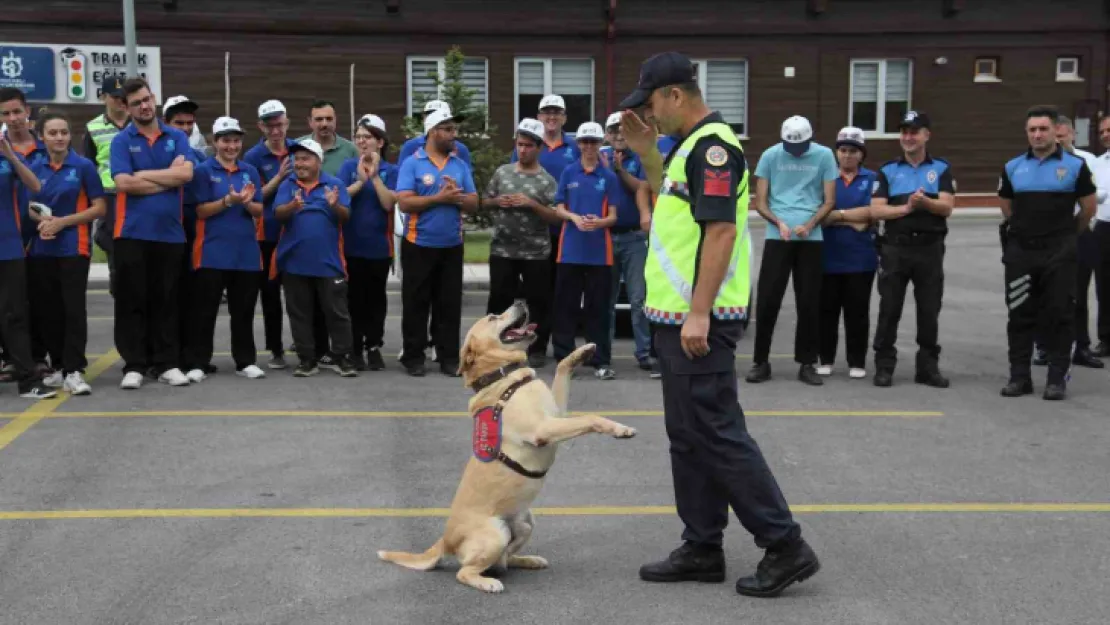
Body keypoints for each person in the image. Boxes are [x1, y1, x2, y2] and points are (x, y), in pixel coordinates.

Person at [618, 51, 818, 597]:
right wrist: (648, 157)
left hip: (698, 319)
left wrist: (700, 310)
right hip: (676, 318)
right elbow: (674, 211)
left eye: (651, 105)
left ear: (675, 95)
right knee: (688, 437)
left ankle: (785, 544)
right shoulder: (685, 149)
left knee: (717, 433)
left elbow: (722, 233)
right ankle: (702, 545)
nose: (649, 116)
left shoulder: (711, 148)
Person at [999, 105, 1098, 400]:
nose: (1038, 134)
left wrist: (1065, 236)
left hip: (1059, 252)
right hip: (1021, 253)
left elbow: (1088, 209)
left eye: (1043, 128)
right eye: (1032, 130)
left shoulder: (1076, 166)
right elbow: (1006, 206)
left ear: (1057, 130)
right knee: (1019, 315)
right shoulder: (1013, 166)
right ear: (1027, 133)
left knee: (1059, 313)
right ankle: (1019, 378)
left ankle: (1056, 379)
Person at [108, 78, 196, 389]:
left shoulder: (176, 136)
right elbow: (123, 184)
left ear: (154, 98)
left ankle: (166, 363)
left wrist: (143, 174)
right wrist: (166, 178)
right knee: (132, 300)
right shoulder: (121, 141)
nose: (144, 106)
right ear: (126, 107)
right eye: (136, 103)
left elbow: (185, 174)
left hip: (170, 234)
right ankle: (134, 365)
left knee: (167, 300)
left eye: (146, 99)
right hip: (131, 232)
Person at [747, 115, 837, 386]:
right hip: (779, 237)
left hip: (811, 238)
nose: (795, 152)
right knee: (767, 299)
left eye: (800, 148)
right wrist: (779, 222)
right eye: (790, 147)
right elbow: (760, 201)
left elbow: (829, 200)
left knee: (809, 301)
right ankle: (760, 361)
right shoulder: (770, 156)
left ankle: (807, 362)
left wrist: (810, 224)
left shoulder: (824, 156)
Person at [868, 111, 955, 389]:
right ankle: (884, 366)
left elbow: (947, 207)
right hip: (896, 249)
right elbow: (876, 209)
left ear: (926, 135)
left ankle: (927, 368)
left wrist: (925, 204)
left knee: (929, 310)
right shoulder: (888, 170)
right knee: (889, 308)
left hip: (929, 249)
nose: (908, 137)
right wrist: (906, 207)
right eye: (904, 132)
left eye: (914, 132)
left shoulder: (940, 168)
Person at [25, 111, 106, 395]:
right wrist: (43, 222)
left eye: (63, 132)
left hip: (75, 247)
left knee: (73, 310)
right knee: (49, 311)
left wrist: (62, 223)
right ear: (42, 137)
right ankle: (58, 367)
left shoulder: (83, 166)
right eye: (53, 133)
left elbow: (99, 208)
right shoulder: (33, 166)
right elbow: (28, 206)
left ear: (70, 135)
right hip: (41, 248)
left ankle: (74, 370)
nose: (59, 138)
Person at [395, 108, 479, 377]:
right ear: (432, 131)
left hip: (451, 246)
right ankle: (413, 356)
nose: (454, 134)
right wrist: (438, 198)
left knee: (449, 304)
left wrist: (458, 197)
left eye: (454, 129)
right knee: (416, 303)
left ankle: (448, 357)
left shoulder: (459, 165)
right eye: (448, 129)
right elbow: (405, 202)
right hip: (418, 244)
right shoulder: (413, 163)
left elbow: (474, 203)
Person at [182, 117, 266, 381]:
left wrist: (247, 203)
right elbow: (200, 211)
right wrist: (228, 201)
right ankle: (198, 362)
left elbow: (260, 210)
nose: (231, 146)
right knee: (204, 312)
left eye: (236, 140)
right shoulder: (203, 171)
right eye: (226, 140)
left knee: (243, 311)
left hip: (246, 255)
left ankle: (245, 361)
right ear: (214, 142)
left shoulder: (249, 171)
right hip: (211, 252)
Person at [272, 138, 358, 378]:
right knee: (299, 314)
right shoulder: (287, 184)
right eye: (297, 159)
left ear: (318, 161)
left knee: (337, 313)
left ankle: (343, 357)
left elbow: (345, 216)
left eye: (306, 158)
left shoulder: (335, 184)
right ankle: (306, 360)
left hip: (329, 262)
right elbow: (278, 214)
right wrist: (291, 206)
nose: (300, 164)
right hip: (294, 263)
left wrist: (334, 205)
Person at [481, 118, 559, 367]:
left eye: (528, 145)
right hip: (503, 249)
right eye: (519, 144)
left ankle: (536, 349)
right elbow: (484, 201)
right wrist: (497, 202)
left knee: (538, 302)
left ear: (539, 148)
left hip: (535, 253)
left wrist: (532, 204)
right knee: (499, 301)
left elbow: (555, 215)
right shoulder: (502, 173)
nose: (522, 150)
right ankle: (494, 345)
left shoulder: (547, 181)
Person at [551, 121, 619, 380]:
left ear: (601, 144)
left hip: (600, 253)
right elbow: (559, 207)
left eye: (594, 142)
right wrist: (574, 218)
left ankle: (600, 360)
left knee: (598, 308)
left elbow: (613, 216)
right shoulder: (569, 172)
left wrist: (598, 222)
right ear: (578, 144)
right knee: (565, 306)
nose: (589, 147)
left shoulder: (608, 176)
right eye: (585, 142)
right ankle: (564, 359)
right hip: (570, 250)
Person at [0, 94, 56, 400]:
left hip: (8, 247)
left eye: (14, 112)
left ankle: (28, 380)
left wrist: (9, 154)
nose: (9, 117)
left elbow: (35, 186)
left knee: (15, 315)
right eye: (4, 113)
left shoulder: (7, 155)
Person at [1039, 116, 1103, 368]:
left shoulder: (1088, 162)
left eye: (1062, 136)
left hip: (1078, 232)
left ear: (1072, 135)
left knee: (1077, 294)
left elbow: (1095, 197)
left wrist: (1075, 228)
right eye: (1055, 137)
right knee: (1045, 293)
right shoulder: (1039, 162)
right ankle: (1044, 346)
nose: (1058, 141)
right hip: (1047, 237)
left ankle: (1082, 347)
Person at [817, 127, 879, 379]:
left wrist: (837, 216)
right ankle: (826, 359)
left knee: (857, 313)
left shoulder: (873, 179)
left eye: (853, 151)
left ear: (862, 154)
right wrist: (852, 219)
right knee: (826, 311)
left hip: (860, 258)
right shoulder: (825, 179)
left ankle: (857, 361)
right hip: (827, 257)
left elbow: (870, 215)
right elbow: (819, 215)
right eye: (843, 150)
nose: (847, 156)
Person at [337, 114, 397, 371]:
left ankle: (374, 345)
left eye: (367, 137)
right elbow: (339, 198)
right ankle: (355, 347)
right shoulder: (348, 167)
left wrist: (374, 177)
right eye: (358, 137)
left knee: (375, 300)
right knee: (353, 299)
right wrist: (360, 181)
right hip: (350, 246)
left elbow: (388, 203)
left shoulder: (391, 171)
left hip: (379, 248)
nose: (362, 142)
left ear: (380, 142)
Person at [243, 99, 296, 370]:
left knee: (300, 295)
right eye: (270, 125)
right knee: (271, 295)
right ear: (260, 127)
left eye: (280, 124)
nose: (276, 131)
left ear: (287, 122)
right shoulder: (252, 158)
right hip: (267, 235)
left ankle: (307, 346)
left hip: (296, 233)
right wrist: (279, 177)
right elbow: (252, 198)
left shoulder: (300, 149)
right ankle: (275, 349)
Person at [162, 95, 211, 381]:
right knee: (168, 295)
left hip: (193, 229)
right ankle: (168, 357)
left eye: (190, 124)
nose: (185, 128)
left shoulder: (200, 157)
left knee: (194, 296)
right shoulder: (157, 152)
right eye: (179, 122)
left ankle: (192, 357)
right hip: (165, 228)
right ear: (166, 123)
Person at [601, 111, 654, 373]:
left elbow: (642, 187)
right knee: (606, 300)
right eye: (614, 130)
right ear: (607, 135)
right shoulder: (599, 157)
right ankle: (603, 354)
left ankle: (644, 353)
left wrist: (620, 170)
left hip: (633, 237)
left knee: (638, 299)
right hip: (606, 236)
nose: (619, 135)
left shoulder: (640, 158)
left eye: (623, 130)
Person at [84, 76, 129, 298]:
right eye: (115, 97)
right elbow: (91, 165)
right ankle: (118, 287)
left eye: (124, 98)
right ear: (103, 97)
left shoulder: (140, 123)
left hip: (138, 192)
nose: (121, 102)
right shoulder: (93, 128)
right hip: (109, 195)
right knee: (112, 243)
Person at [297, 100, 358, 177]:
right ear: (310, 122)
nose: (324, 124)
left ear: (335, 120)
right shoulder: (297, 146)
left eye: (329, 119)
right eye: (319, 119)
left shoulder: (351, 150)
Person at [1092, 115, 1110, 356]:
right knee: (1104, 286)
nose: (1105, 135)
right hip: (1104, 227)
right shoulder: (1098, 163)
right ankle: (1106, 337)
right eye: (1102, 131)